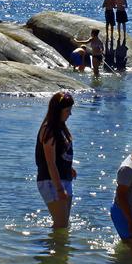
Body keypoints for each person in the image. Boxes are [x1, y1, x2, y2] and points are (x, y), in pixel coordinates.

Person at [35, 91, 76, 230]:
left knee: (64, 224)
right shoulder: (49, 130)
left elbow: (61, 154)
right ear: (57, 111)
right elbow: (50, 162)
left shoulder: (61, 127)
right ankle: (53, 250)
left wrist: (69, 167)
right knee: (61, 224)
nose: (70, 114)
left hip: (64, 177)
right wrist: (59, 189)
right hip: (50, 181)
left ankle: (61, 251)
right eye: (67, 110)